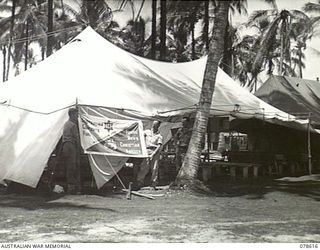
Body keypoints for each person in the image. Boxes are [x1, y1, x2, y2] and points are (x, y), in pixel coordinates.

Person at [136, 120, 163, 190]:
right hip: (146, 150)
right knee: (144, 166)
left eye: (156, 125)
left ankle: (153, 183)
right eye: (153, 124)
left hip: (155, 151)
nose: (153, 126)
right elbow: (138, 133)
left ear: (158, 126)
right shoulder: (147, 132)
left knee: (154, 168)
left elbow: (159, 146)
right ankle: (140, 181)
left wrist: (154, 153)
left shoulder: (159, 135)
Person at [61, 108, 81, 194]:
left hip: (65, 146)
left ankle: (70, 186)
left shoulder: (65, 124)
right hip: (71, 146)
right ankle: (72, 187)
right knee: (73, 166)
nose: (77, 117)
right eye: (76, 115)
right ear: (72, 115)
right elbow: (77, 138)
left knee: (69, 166)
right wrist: (80, 148)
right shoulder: (73, 125)